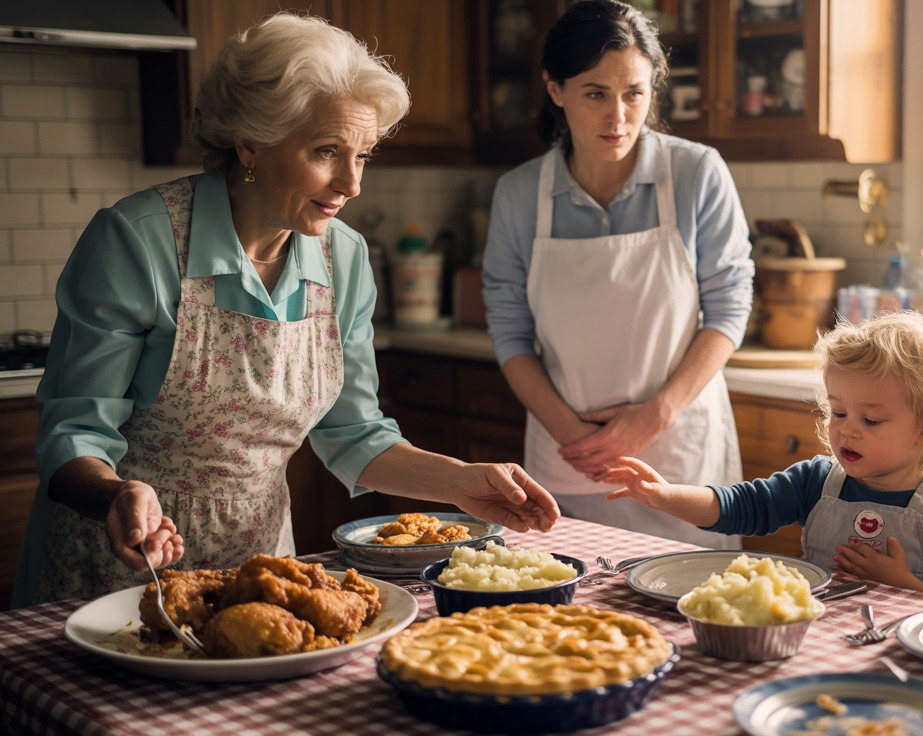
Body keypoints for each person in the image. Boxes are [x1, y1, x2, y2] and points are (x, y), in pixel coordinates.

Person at [14, 13, 558, 609]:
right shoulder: (139, 241)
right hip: (120, 566)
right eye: (327, 151)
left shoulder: (344, 257)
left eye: (363, 156)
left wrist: (460, 481)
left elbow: (353, 433)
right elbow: (73, 433)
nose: (351, 183)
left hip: (262, 570)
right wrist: (116, 493)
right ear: (250, 141)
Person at [482, 0, 754, 548]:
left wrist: (656, 414)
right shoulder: (519, 194)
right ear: (555, 89)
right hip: (570, 460)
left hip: (679, 457)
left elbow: (729, 307)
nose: (618, 117)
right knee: (570, 593)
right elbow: (510, 332)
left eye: (634, 93)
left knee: (692, 593)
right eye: (595, 94)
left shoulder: (696, 173)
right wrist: (571, 431)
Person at [602, 312, 923, 602]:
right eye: (838, 413)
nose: (848, 430)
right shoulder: (816, 481)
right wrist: (665, 494)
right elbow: (740, 506)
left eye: (871, 420)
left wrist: (910, 585)